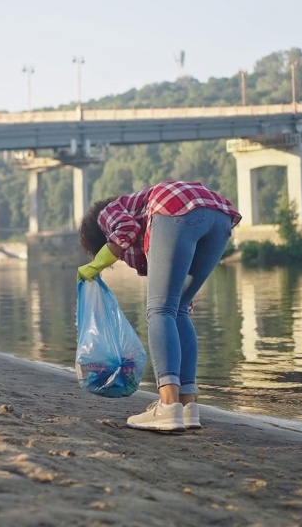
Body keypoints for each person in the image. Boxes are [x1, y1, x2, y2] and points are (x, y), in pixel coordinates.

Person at [76, 181, 241, 432]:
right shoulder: (144, 228)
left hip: (176, 205)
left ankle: (166, 406)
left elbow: (126, 229)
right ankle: (187, 406)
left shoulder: (107, 212)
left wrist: (94, 266)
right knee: (178, 310)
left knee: (160, 311)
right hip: (219, 217)